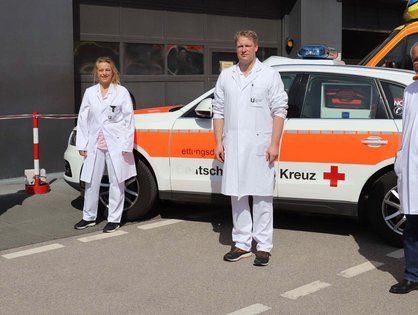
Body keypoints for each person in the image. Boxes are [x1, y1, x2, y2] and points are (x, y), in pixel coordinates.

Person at [212, 30, 288, 266]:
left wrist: (274, 143)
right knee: (237, 194)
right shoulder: (227, 76)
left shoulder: (269, 75)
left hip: (261, 145)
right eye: (239, 46)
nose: (243, 49)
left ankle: (263, 246)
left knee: (263, 197)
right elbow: (218, 110)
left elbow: (279, 110)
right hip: (233, 144)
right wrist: (218, 141)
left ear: (257, 47)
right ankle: (242, 243)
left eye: (247, 45)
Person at [74, 57, 137, 233]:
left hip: (116, 143)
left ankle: (114, 219)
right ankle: (89, 217)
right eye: (101, 70)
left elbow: (128, 118)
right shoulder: (89, 92)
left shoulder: (121, 92)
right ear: (96, 73)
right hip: (95, 143)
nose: (104, 73)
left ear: (113, 72)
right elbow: (83, 118)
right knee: (91, 181)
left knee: (117, 180)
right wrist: (82, 143)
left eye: (107, 70)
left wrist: (126, 144)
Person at [390, 42, 418, 294]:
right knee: (411, 228)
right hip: (412, 171)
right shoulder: (409, 91)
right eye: (416, 59)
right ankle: (411, 275)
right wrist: (400, 160)